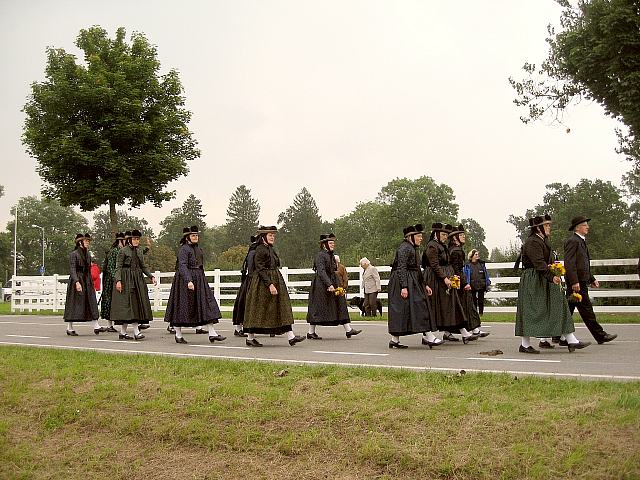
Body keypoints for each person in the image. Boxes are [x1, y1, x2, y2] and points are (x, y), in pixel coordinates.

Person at [515, 214, 590, 354]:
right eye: (546, 225)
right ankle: (524, 344)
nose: (549, 228)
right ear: (538, 228)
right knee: (532, 311)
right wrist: (551, 276)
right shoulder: (532, 242)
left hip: (544, 278)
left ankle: (570, 339)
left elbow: (547, 261)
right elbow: (538, 263)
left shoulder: (543, 240)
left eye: (549, 225)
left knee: (558, 304)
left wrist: (555, 271)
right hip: (534, 280)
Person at [243, 225, 305, 347]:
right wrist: (270, 284)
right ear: (263, 237)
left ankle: (291, 336)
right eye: (270, 235)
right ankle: (250, 338)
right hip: (262, 283)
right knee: (258, 310)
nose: (272, 237)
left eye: (273, 235)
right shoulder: (260, 249)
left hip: (275, 279)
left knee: (281, 308)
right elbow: (260, 269)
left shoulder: (270, 249)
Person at [562, 216, 617, 345]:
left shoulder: (581, 241)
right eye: (585, 225)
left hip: (580, 281)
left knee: (568, 310)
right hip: (577, 284)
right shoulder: (573, 241)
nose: (588, 227)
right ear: (578, 227)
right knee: (587, 310)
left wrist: (591, 278)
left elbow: (583, 264)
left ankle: (558, 336)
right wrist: (575, 281)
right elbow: (570, 263)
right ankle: (600, 335)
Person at [165, 226, 224, 344]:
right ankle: (178, 334)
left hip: (199, 279)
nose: (196, 237)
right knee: (182, 307)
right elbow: (182, 265)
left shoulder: (199, 249)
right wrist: (188, 280)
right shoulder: (184, 249)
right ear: (187, 238)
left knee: (206, 304)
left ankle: (212, 333)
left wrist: (201, 279)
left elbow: (200, 265)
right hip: (185, 281)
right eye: (193, 235)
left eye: (197, 235)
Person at [423, 223, 478, 344]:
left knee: (452, 304)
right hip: (436, 279)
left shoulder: (442, 246)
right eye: (443, 234)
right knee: (439, 306)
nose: (445, 237)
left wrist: (452, 277)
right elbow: (434, 265)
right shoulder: (432, 246)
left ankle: (462, 332)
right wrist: (445, 278)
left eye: (446, 235)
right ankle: (428, 335)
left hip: (445, 277)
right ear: (436, 234)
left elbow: (448, 265)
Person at [387, 224, 440, 349]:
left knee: (417, 306)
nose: (421, 238)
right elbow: (401, 268)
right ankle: (429, 336)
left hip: (413, 281)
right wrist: (404, 286)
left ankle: (395, 340)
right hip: (402, 281)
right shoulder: (404, 248)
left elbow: (417, 269)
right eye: (419, 236)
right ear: (410, 237)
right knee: (407, 309)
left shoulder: (413, 248)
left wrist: (425, 285)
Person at [306, 234, 361, 340]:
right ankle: (310, 332)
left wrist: (335, 283)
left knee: (340, 304)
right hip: (321, 285)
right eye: (330, 243)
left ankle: (348, 330)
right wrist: (329, 284)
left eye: (333, 243)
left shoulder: (331, 255)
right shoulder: (320, 256)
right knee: (318, 308)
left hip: (332, 282)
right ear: (324, 245)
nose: (333, 245)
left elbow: (333, 270)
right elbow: (321, 271)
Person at [111, 229, 156, 340]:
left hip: (138, 280)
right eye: (134, 239)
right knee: (129, 307)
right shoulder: (123, 251)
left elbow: (143, 266)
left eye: (138, 239)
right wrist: (118, 281)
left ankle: (122, 333)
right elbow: (118, 267)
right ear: (129, 240)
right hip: (126, 279)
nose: (137, 241)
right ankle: (136, 332)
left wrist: (151, 276)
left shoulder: (140, 251)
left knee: (134, 306)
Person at [449, 225, 488, 337]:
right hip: (456, 279)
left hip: (454, 278)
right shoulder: (456, 250)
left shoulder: (452, 249)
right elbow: (457, 269)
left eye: (463, 234)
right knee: (465, 304)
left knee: (460, 304)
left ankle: (473, 329)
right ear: (455, 238)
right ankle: (472, 329)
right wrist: (465, 283)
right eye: (461, 235)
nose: (463, 236)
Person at [63, 233, 104, 335]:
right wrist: (77, 282)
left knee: (91, 301)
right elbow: (72, 269)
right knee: (74, 304)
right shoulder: (74, 254)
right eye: (86, 241)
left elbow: (89, 269)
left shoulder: (88, 254)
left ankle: (96, 325)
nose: (88, 243)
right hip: (77, 280)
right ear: (80, 242)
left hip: (86, 280)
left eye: (88, 241)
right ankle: (69, 327)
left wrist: (90, 281)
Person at [231, 235, 259, 337]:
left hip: (249, 279)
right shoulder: (253, 252)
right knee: (244, 304)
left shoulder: (252, 251)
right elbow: (252, 267)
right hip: (251, 279)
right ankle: (239, 328)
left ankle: (240, 328)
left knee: (243, 303)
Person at [100, 232, 125, 332]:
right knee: (109, 301)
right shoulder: (113, 251)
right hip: (111, 281)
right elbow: (110, 267)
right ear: (120, 240)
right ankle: (109, 324)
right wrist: (116, 278)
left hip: (119, 278)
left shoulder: (122, 251)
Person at [463, 249, 491, 316]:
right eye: (476, 254)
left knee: (481, 301)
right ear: (472, 256)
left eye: (478, 254)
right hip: (472, 285)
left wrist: (487, 282)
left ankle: (481, 313)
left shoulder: (481, 264)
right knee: (473, 301)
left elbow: (485, 273)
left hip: (481, 284)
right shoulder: (467, 265)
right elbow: (465, 275)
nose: (477, 255)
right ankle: (475, 314)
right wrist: (466, 283)